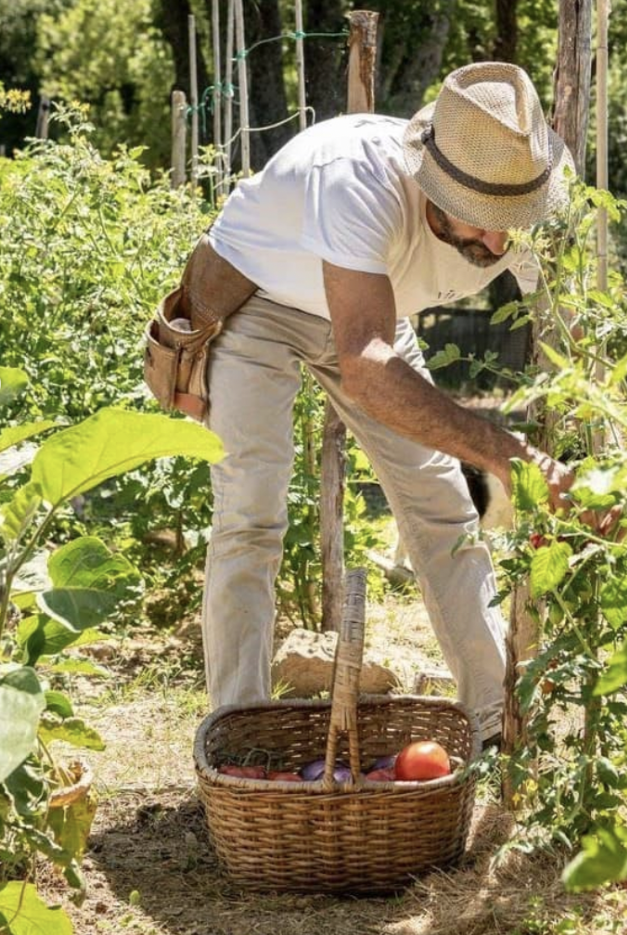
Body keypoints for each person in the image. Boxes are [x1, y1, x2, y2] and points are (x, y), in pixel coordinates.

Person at [199, 61, 577, 744]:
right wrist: (507, 451)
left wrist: (581, 452)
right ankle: (239, 739)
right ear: (436, 183)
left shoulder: (520, 193)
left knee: (443, 503)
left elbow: (567, 334)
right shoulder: (357, 179)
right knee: (252, 510)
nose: (499, 243)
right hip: (262, 298)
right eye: (485, 220)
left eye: (512, 221)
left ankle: (495, 722)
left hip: (372, 308)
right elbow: (368, 367)